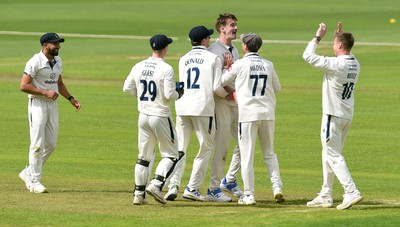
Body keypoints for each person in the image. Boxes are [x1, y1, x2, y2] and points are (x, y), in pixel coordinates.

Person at [302, 22, 363, 210]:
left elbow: (307, 56)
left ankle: (351, 191)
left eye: (334, 44)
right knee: (328, 154)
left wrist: (318, 36)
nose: (332, 46)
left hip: (332, 116)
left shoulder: (335, 64)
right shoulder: (355, 63)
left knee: (333, 155)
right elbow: (345, 51)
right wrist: (339, 36)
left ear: (339, 46)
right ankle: (326, 194)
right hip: (346, 115)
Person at [165, 26, 229, 202]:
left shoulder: (183, 58)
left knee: (180, 148)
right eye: (209, 37)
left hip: (183, 106)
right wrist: (230, 95)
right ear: (204, 40)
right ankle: (192, 187)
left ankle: (173, 185)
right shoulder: (213, 58)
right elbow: (217, 87)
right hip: (202, 108)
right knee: (205, 148)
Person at [221, 33, 284, 205]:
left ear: (245, 46)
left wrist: (229, 67)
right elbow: (277, 87)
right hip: (268, 114)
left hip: (248, 115)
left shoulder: (239, 64)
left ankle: (249, 194)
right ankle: (277, 187)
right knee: (269, 153)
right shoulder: (268, 64)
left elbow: (222, 80)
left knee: (247, 155)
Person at [123, 34, 184, 205]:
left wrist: (143, 98)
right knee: (172, 155)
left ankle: (138, 194)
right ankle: (156, 184)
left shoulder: (139, 65)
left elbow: (127, 88)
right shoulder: (166, 68)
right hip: (160, 116)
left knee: (144, 157)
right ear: (165, 48)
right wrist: (180, 91)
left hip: (143, 116)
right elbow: (170, 95)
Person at [19, 32, 81, 193]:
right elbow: (23, 86)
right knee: (37, 144)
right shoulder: (35, 62)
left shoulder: (58, 60)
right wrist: (45, 93)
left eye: (59, 43)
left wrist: (71, 98)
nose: (58, 46)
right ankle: (34, 181)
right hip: (37, 104)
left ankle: (28, 172)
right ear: (45, 45)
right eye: (55, 43)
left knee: (51, 144)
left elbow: (59, 83)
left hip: (52, 105)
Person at [206, 12, 244, 202]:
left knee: (244, 142)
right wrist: (231, 93)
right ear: (222, 28)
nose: (235, 28)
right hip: (221, 103)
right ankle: (213, 188)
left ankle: (229, 180)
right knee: (222, 146)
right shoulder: (213, 51)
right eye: (232, 25)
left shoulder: (234, 50)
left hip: (235, 102)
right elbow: (215, 83)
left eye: (236, 25)